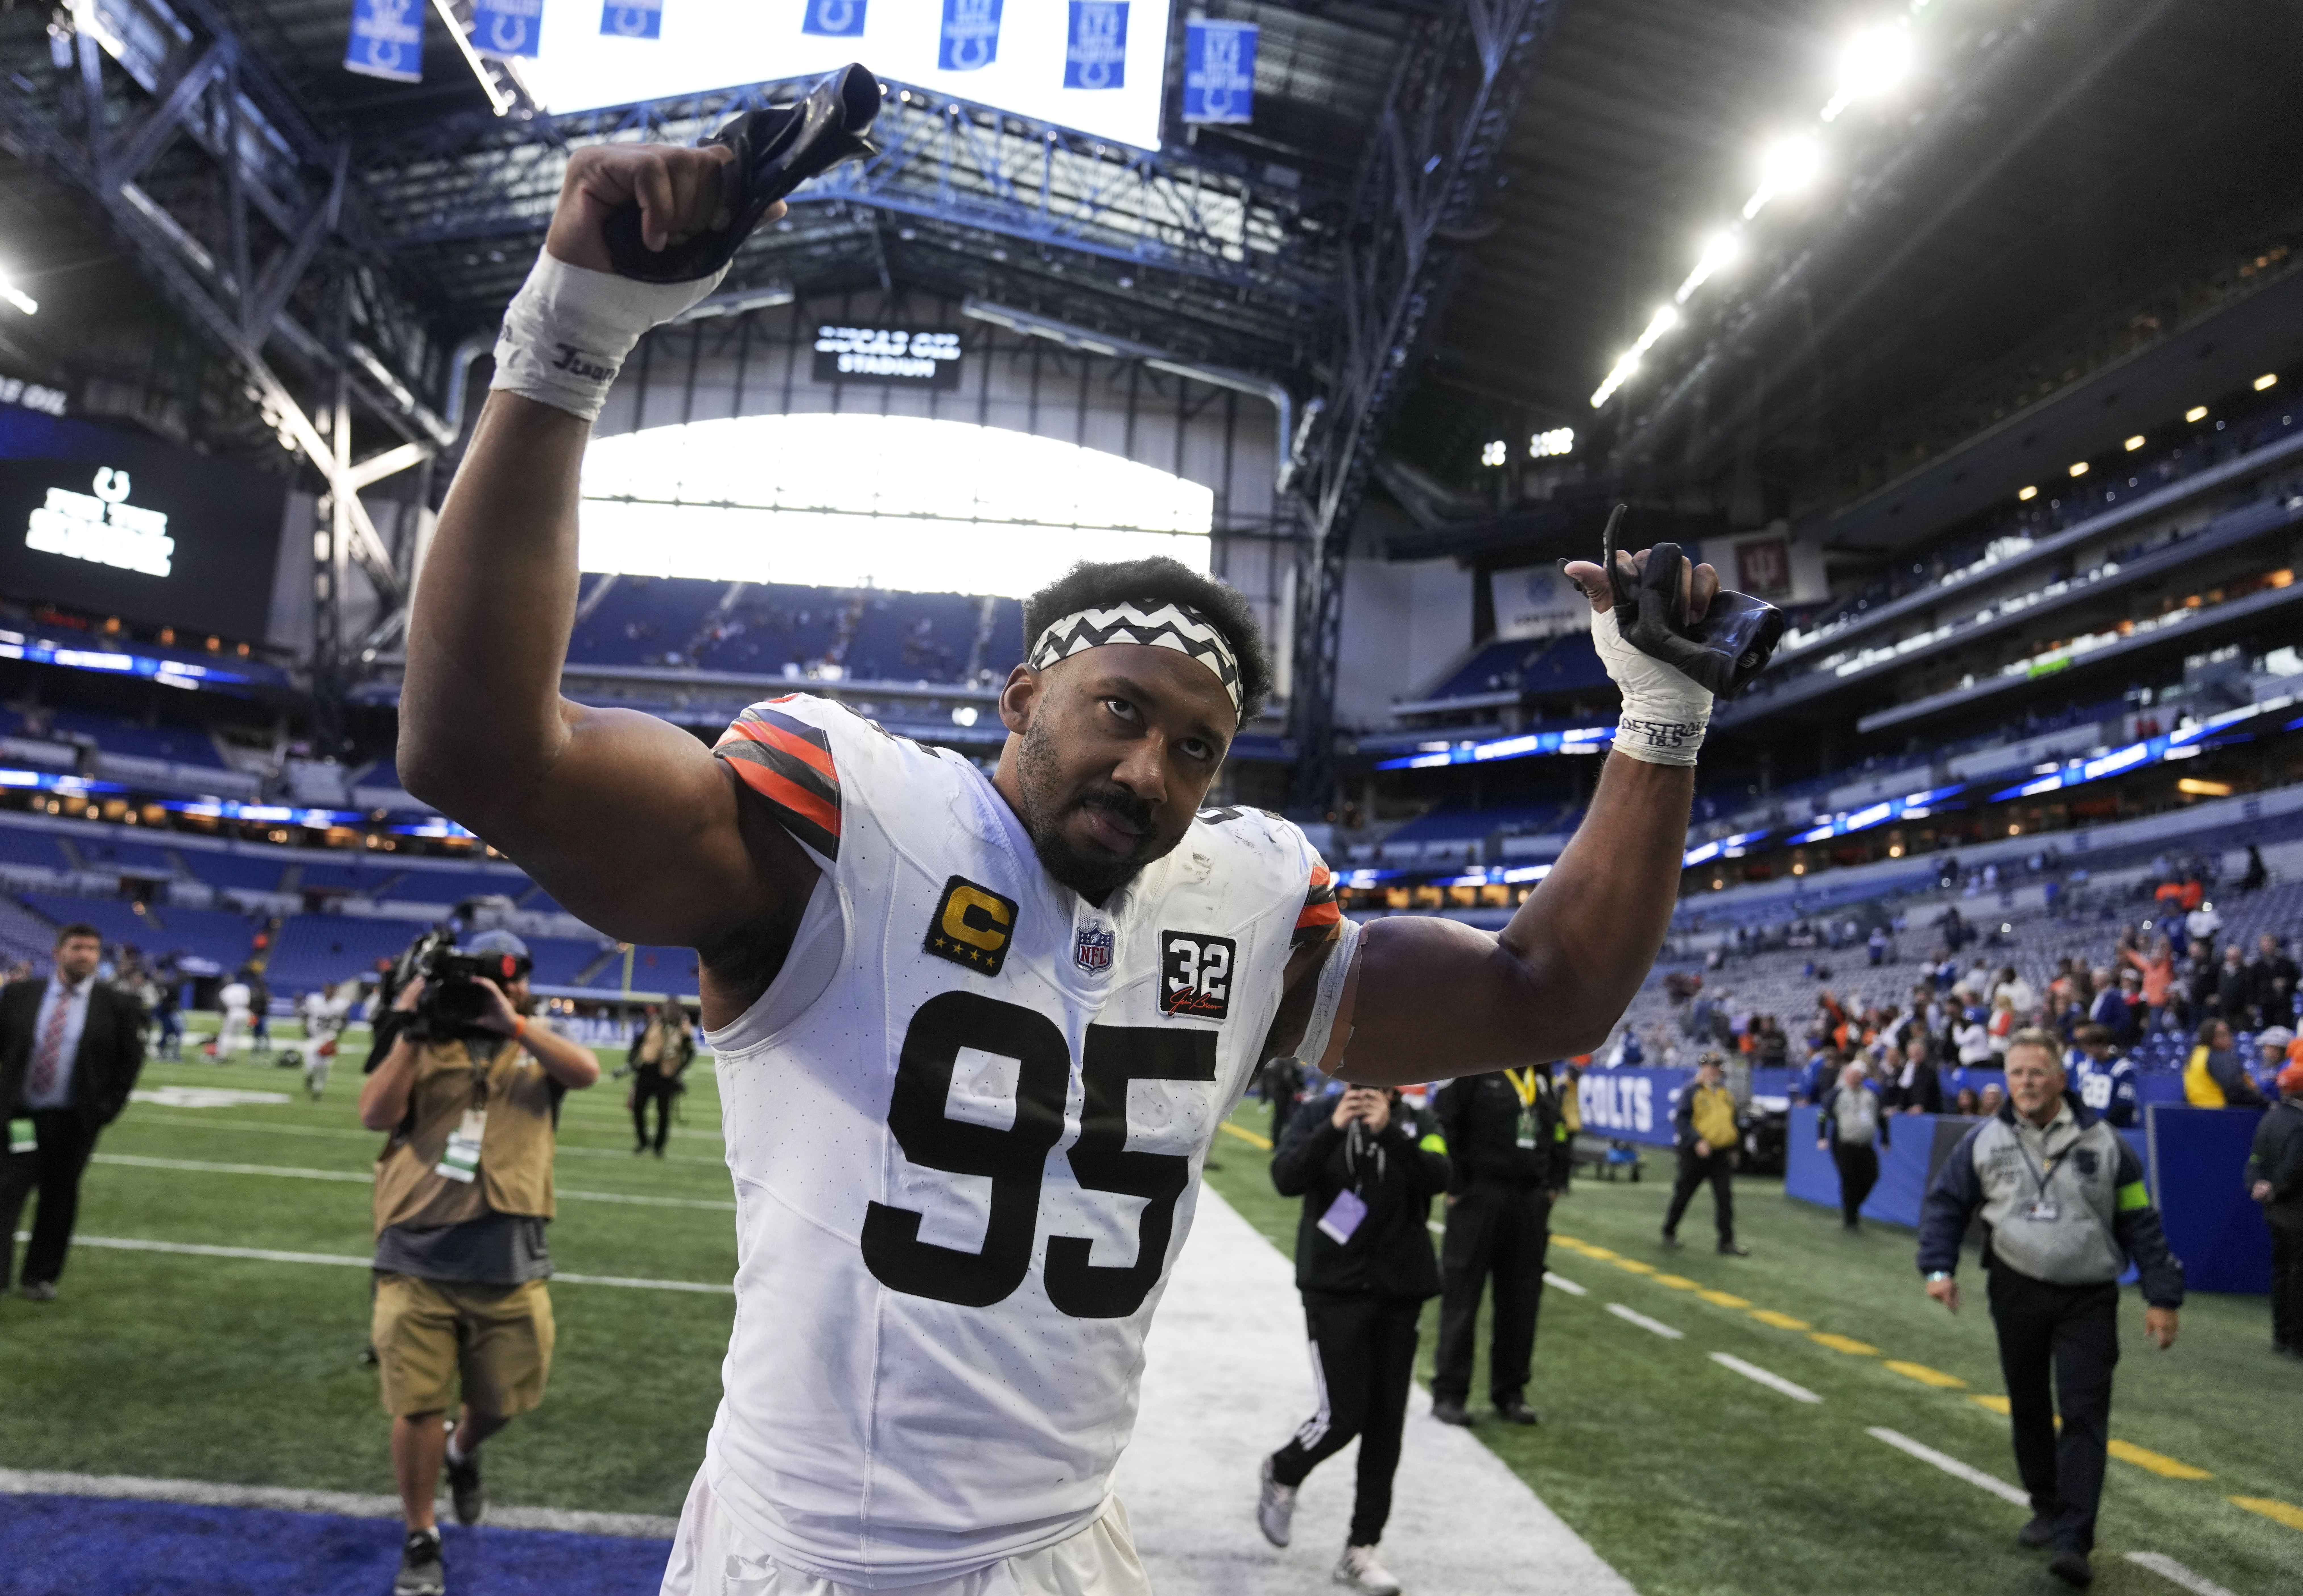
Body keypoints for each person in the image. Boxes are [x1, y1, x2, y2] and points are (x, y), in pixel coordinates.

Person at [398, 136, 1718, 1596]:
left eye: (1200, 747)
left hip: (1064, 1553)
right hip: (812, 1556)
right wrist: (572, 332)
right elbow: (486, 755)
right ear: (1023, 698)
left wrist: (1660, 719)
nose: (1153, 771)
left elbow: (1552, 994)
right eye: (1122, 713)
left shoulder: (1245, 902)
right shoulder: (855, 822)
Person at [357, 930, 601, 1596]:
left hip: (512, 1255)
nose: (495, 985)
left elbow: (586, 1072)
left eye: (508, 975)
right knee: (415, 1403)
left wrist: (513, 1023)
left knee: (502, 1398)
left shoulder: (535, 1039)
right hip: (417, 1251)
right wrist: (412, 1024)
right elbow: (375, 1113)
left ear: (522, 980)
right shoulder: (421, 1035)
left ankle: (462, 1449)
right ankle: (420, 1531)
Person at [1918, 1030, 2184, 1589]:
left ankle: (2072, 1539)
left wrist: (2160, 1294)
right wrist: (1938, 1269)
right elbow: (1945, 1205)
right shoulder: (1981, 1141)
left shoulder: (2107, 1142)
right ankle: (2044, 1504)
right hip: (2014, 1289)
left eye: (2036, 1072)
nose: (2025, 1083)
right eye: (2015, 1073)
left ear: (2059, 1079)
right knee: (2027, 1402)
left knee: (2083, 1412)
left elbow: (2140, 1221)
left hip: (2087, 1296)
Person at [1257, 1084, 1448, 1595]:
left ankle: (1362, 1547)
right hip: (1334, 1288)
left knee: (1386, 1425)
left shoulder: (1418, 1121)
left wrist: (1390, 1133)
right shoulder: (1317, 1111)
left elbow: (1441, 1177)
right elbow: (1285, 1176)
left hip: (1398, 1290)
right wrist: (1332, 1128)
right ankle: (1283, 1467)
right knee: (1343, 1415)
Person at [0, 923, 146, 1315]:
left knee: (59, 1196)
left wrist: (106, 1110)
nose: (86, 955)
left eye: (93, 949)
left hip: (73, 1123)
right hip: (22, 1118)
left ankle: (40, 1275)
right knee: (10, 1189)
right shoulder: (21, 996)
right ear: (58, 952)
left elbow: (129, 1063)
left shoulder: (116, 1005)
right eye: (78, 947)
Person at [1428, 1056, 1572, 1427]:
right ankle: (1449, 1392)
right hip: (1479, 1194)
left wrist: (1554, 1181)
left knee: (1522, 1298)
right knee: (1462, 1294)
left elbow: (1556, 1129)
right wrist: (1456, 1184)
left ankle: (1511, 1392)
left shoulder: (1541, 1075)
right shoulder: (1472, 1064)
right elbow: (1445, 1119)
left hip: (1528, 1200)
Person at [1661, 1053, 1747, 1255]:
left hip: (1720, 1154)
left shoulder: (1725, 1093)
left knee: (1724, 1197)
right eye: (1710, 1066)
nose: (1714, 1070)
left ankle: (1726, 1242)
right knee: (1684, 1193)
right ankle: (1669, 1230)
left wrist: (1734, 1148)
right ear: (1703, 1068)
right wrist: (1696, 1141)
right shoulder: (1691, 1091)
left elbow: (1732, 1123)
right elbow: (1682, 1120)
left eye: (1717, 1066)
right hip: (1696, 1153)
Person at [2250, 1061, 2303, 1357]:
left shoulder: (2269, 1119)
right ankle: (2297, 1340)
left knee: (2280, 1273)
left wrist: (2257, 1185)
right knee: (2298, 1276)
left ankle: (2279, 1336)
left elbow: (2254, 1159)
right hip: (2296, 1211)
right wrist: (2275, 1187)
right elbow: (2293, 1167)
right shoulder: (2299, 1124)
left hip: (2273, 1212)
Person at [1817, 1060, 1887, 1230]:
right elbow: (1822, 1115)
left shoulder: (1871, 1095)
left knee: (1871, 1176)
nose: (1855, 1078)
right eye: (1853, 1074)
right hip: (1844, 1144)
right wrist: (1821, 1136)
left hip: (1865, 1145)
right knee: (1849, 1179)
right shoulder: (1837, 1094)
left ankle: (1853, 1208)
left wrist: (1886, 1139)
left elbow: (1881, 1117)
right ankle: (1851, 1220)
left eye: (1859, 1075)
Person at [625, 1000, 693, 1157]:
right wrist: (633, 1060)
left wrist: (679, 1070)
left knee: (664, 1113)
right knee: (638, 1108)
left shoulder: (683, 1029)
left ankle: (658, 1146)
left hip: (667, 1075)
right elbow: (640, 1041)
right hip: (647, 1071)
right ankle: (643, 1142)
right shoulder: (653, 1023)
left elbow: (690, 1052)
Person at [2063, 1024, 2137, 1129]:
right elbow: (2077, 1095)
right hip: (2088, 1127)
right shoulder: (2086, 1065)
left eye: (2088, 1046)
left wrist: (2102, 1127)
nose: (2085, 1050)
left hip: (2115, 1130)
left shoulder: (2123, 1068)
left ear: (2101, 1045)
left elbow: (2124, 1105)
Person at [2184, 1019, 2265, 1108]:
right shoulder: (2216, 1057)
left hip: (2197, 1112)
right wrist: (2264, 1103)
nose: (2229, 1038)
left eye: (2229, 1033)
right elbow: (2234, 1090)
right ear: (2209, 1037)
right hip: (2219, 1113)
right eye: (2222, 1034)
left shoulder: (2196, 1054)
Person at [301, 982, 350, 1102]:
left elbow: (345, 1022)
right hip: (314, 1036)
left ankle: (318, 1090)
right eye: (328, 990)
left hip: (329, 1037)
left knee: (324, 1067)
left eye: (332, 990)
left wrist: (337, 1039)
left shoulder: (342, 1004)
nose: (330, 992)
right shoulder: (314, 1000)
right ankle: (310, 1077)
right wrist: (305, 1029)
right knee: (311, 1065)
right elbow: (305, 1014)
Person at [1885, 1035, 1944, 1118]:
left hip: (1927, 1114)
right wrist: (1898, 1107)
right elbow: (1902, 1092)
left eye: (1918, 1052)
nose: (1916, 1055)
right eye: (1913, 1053)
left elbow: (1931, 1095)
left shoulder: (1930, 1072)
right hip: (1907, 1113)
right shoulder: (1903, 1071)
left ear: (1924, 1053)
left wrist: (1921, 1106)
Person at [214, 976, 253, 1063]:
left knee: (226, 1034)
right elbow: (249, 1001)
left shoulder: (226, 991)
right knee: (237, 1034)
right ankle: (232, 1054)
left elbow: (224, 1004)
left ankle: (221, 1054)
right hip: (244, 1012)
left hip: (233, 1012)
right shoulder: (243, 988)